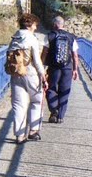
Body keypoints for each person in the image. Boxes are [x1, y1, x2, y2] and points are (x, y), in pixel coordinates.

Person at [7, 12, 48, 144]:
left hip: (16, 74)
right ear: (30, 25)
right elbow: (36, 61)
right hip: (30, 73)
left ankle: (19, 135)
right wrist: (43, 76)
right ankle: (33, 131)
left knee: (18, 105)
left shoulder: (14, 38)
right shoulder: (31, 39)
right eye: (35, 25)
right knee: (37, 100)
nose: (36, 28)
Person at [44, 15, 79, 124]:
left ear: (54, 25)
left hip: (54, 67)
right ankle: (61, 116)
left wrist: (42, 66)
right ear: (63, 25)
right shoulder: (71, 37)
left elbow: (44, 52)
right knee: (64, 91)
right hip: (67, 68)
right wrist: (75, 69)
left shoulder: (49, 36)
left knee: (51, 88)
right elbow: (75, 55)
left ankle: (54, 110)